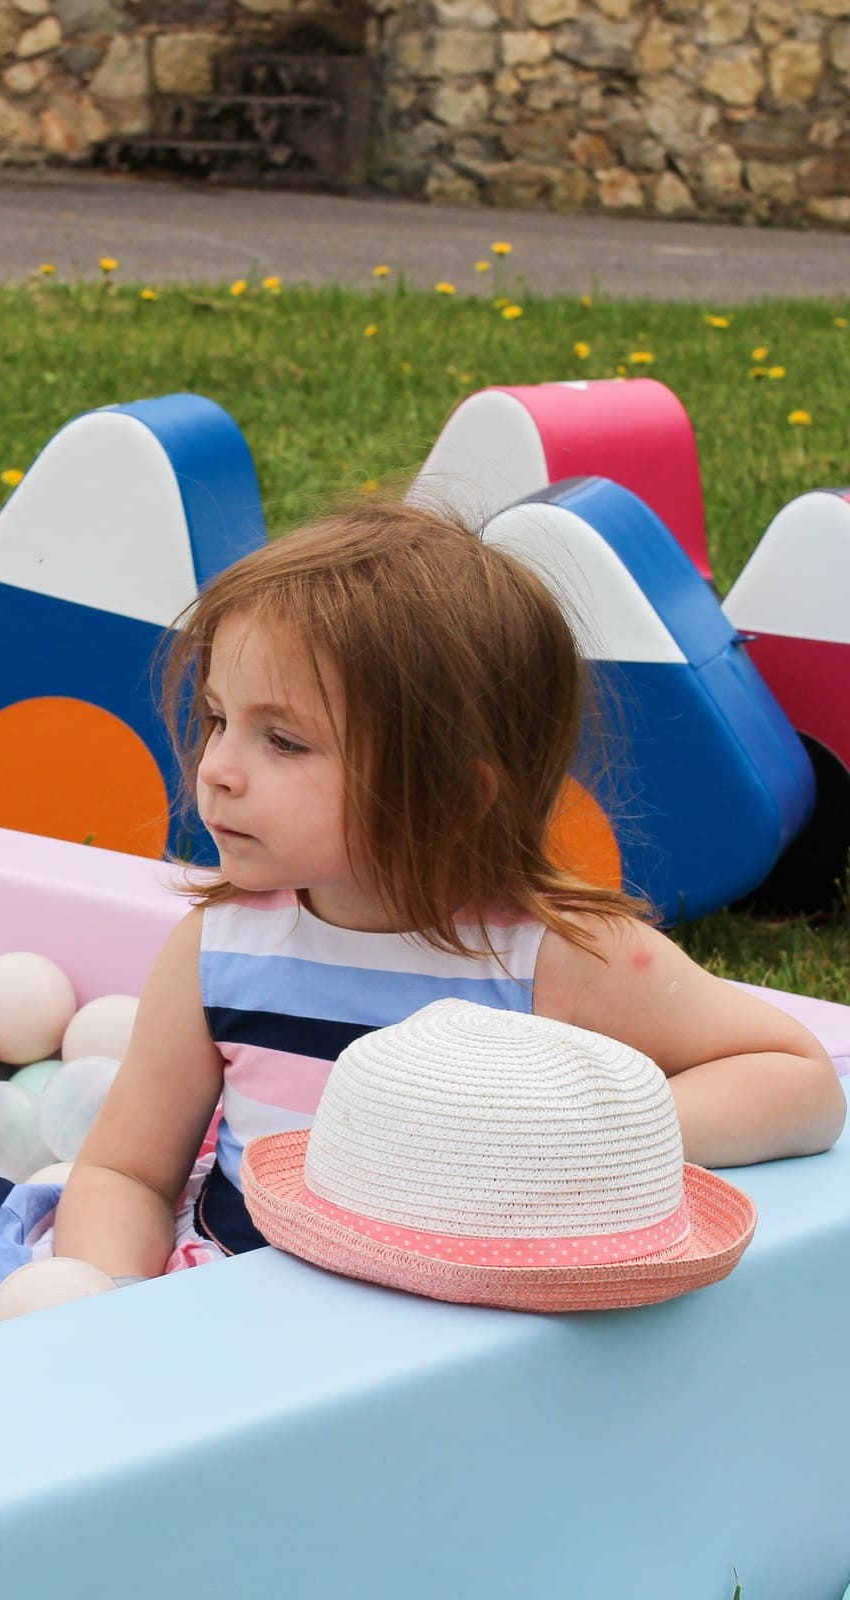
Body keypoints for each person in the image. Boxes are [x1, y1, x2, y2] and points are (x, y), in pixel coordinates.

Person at [53, 498, 846, 1283]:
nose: (217, 768)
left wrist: (583, 1144)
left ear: (457, 794)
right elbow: (127, 1173)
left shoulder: (548, 958)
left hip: (464, 1330)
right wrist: (108, 1304)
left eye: (284, 741)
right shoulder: (222, 950)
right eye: (219, 718)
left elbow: (799, 1080)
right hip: (240, 1297)